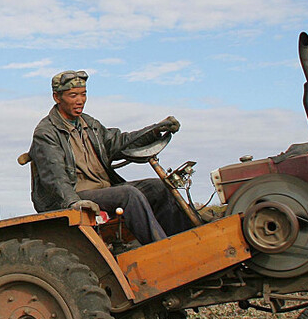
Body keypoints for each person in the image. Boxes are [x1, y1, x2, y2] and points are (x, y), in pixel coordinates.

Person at [28, 69, 193, 244]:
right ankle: (160, 249)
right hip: (77, 195)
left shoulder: (89, 124)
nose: (80, 101)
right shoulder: (46, 132)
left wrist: (155, 130)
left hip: (104, 189)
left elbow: (120, 142)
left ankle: (186, 243)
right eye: (73, 95)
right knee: (128, 194)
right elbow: (55, 178)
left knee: (159, 187)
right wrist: (71, 202)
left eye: (83, 94)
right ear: (57, 97)